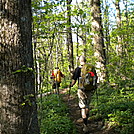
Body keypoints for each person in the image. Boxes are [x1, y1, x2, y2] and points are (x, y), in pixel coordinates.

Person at [69, 55, 97, 133]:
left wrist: (71, 85)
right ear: (85, 60)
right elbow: (94, 78)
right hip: (90, 89)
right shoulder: (90, 69)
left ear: (80, 61)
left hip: (81, 90)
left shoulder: (78, 69)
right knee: (87, 106)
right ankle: (87, 119)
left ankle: (85, 126)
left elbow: (74, 81)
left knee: (82, 107)